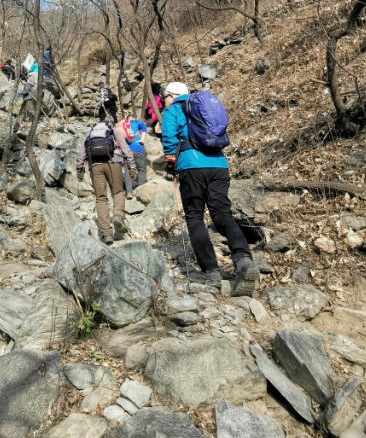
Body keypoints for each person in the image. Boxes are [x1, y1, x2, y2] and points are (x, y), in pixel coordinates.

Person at [161, 82, 259, 296]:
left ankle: (211, 272)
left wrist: (170, 162)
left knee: (195, 217)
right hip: (219, 165)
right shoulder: (202, 107)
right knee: (222, 213)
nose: (163, 101)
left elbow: (168, 138)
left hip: (191, 165)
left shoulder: (173, 109)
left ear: (173, 95)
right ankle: (243, 260)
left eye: (164, 97)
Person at [77, 109, 137, 244]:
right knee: (118, 192)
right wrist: (132, 166)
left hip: (95, 166)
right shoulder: (114, 131)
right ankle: (118, 215)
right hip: (114, 163)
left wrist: (79, 169)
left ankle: (107, 233)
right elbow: (126, 150)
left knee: (101, 198)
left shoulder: (90, 132)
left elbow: (81, 153)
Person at [119, 116, 148, 197]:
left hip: (127, 151)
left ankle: (129, 192)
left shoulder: (122, 125)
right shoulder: (136, 122)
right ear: (133, 119)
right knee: (141, 170)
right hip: (138, 150)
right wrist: (142, 139)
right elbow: (144, 127)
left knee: (127, 171)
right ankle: (140, 192)